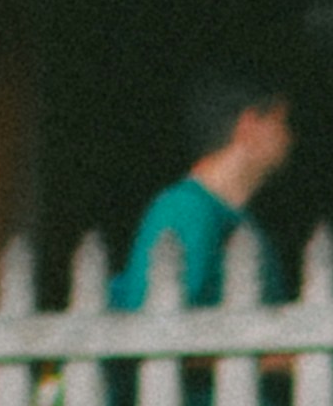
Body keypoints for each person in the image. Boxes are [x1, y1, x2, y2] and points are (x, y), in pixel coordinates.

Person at [120, 67, 296, 306]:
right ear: (250, 125)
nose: (288, 137)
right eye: (282, 121)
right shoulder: (186, 209)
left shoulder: (240, 221)